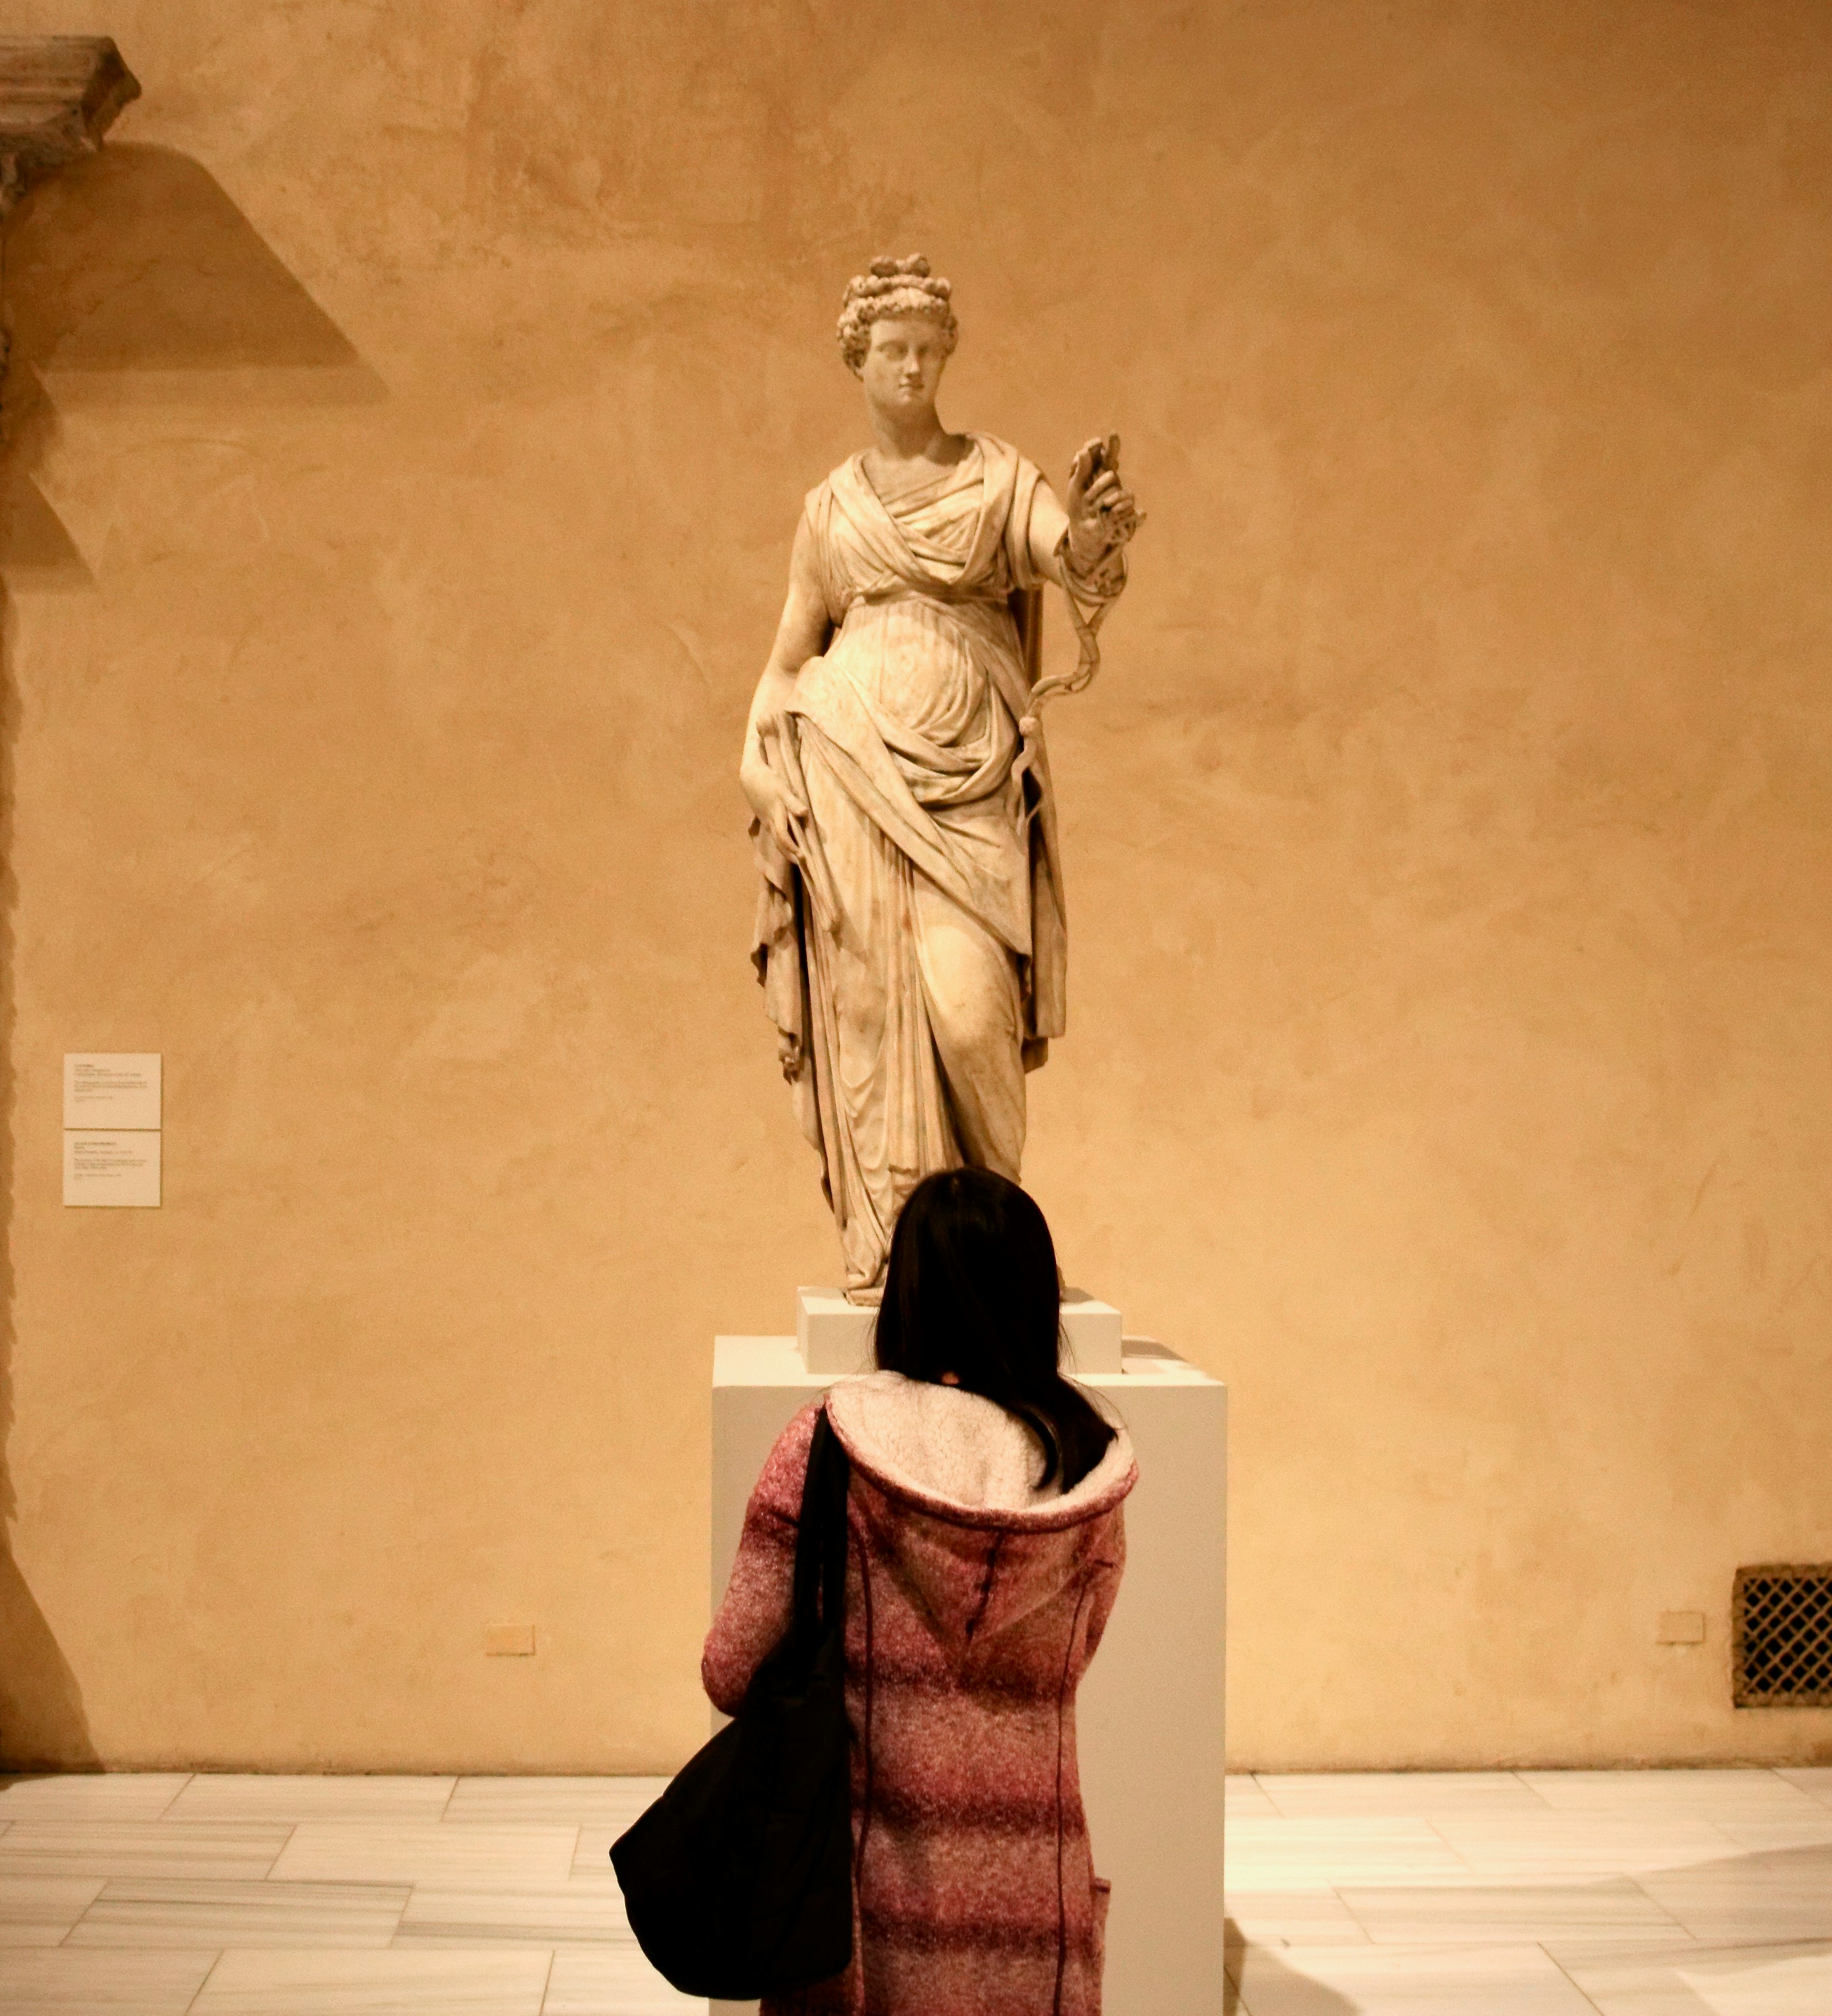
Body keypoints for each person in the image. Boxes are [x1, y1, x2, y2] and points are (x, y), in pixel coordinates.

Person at [740, 256, 1142, 1301]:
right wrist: (755, 768)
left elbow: (1067, 556)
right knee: (872, 1013)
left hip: (969, 777)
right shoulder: (830, 510)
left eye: (927, 349)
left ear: (946, 355)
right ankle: (890, 1245)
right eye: (892, 350)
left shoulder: (997, 478)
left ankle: (999, 1248)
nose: (912, 367)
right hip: (847, 766)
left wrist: (1092, 532)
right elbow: (785, 664)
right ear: (859, 361)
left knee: (969, 1015)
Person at [704, 1168, 1136, 2014]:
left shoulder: (829, 1445)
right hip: (1035, 1912)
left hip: (859, 1918)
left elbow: (730, 1670)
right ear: (1038, 1297)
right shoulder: (1087, 1467)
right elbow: (1076, 1657)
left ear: (905, 1290)